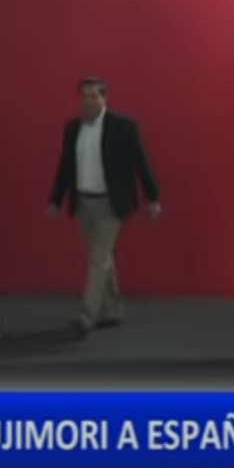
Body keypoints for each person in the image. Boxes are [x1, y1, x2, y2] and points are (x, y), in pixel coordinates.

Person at [47, 77, 160, 339]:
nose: (87, 101)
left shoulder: (124, 127)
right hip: (83, 202)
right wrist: (55, 200)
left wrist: (152, 197)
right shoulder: (73, 128)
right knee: (102, 257)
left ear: (104, 98)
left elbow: (141, 163)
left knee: (97, 259)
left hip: (111, 202)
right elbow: (65, 166)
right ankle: (112, 309)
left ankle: (87, 315)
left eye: (93, 96)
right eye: (83, 97)